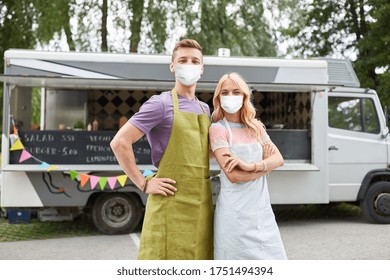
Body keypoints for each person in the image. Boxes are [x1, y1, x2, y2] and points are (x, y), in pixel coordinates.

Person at [110, 39, 213, 260]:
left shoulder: (205, 109)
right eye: (182, 60)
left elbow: (204, 152)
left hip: (201, 204)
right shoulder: (160, 104)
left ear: (202, 68)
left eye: (195, 61)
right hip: (170, 203)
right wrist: (143, 182)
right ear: (172, 66)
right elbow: (119, 143)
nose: (189, 64)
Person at [209, 72, 287, 260]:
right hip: (235, 215)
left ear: (244, 96)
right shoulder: (217, 129)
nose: (230, 96)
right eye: (225, 92)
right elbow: (234, 176)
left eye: (236, 91)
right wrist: (265, 166)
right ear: (218, 98)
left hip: (261, 212)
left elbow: (279, 159)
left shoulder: (256, 127)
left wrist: (249, 166)